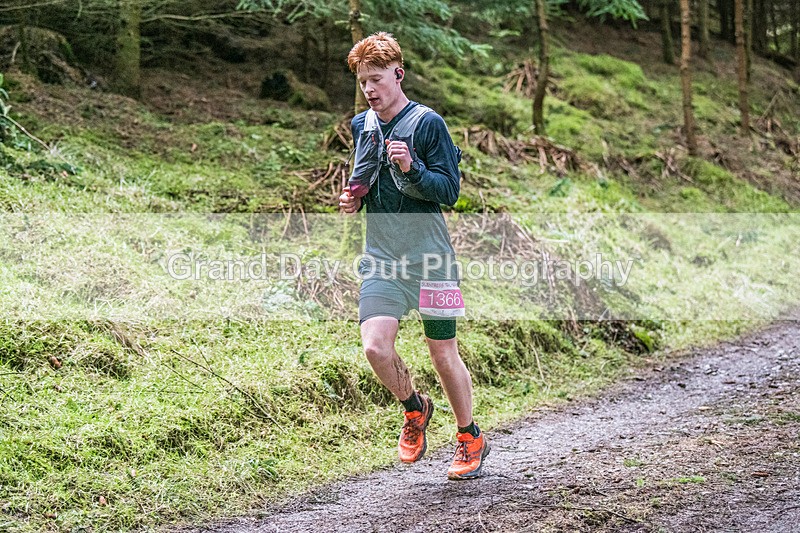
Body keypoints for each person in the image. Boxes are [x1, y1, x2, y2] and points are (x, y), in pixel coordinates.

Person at [338, 31, 489, 480]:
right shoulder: (361, 125)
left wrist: (412, 167)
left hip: (432, 262)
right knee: (375, 347)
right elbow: (363, 176)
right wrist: (354, 198)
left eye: (377, 79)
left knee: (443, 353)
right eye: (363, 81)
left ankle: (469, 435)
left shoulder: (428, 124)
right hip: (382, 258)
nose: (369, 89)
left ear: (398, 74)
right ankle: (415, 407)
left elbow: (450, 191)